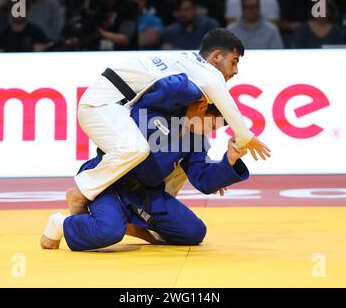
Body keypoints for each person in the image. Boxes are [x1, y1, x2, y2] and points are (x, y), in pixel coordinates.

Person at [68, 28, 271, 215]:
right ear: (217, 56)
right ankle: (82, 191)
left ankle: (150, 215)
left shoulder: (188, 65)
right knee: (135, 150)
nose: (235, 71)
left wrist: (222, 171)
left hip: (118, 104)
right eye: (233, 62)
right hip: (103, 103)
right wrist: (246, 136)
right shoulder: (205, 74)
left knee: (176, 155)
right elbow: (221, 96)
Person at [41, 75, 250, 250]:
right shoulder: (155, 109)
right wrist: (200, 76)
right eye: (212, 126)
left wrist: (229, 161)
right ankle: (60, 224)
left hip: (145, 194)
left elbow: (203, 179)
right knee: (109, 232)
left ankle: (129, 221)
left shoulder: (195, 140)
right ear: (202, 106)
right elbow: (169, 84)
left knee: (194, 232)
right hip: (110, 182)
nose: (210, 133)